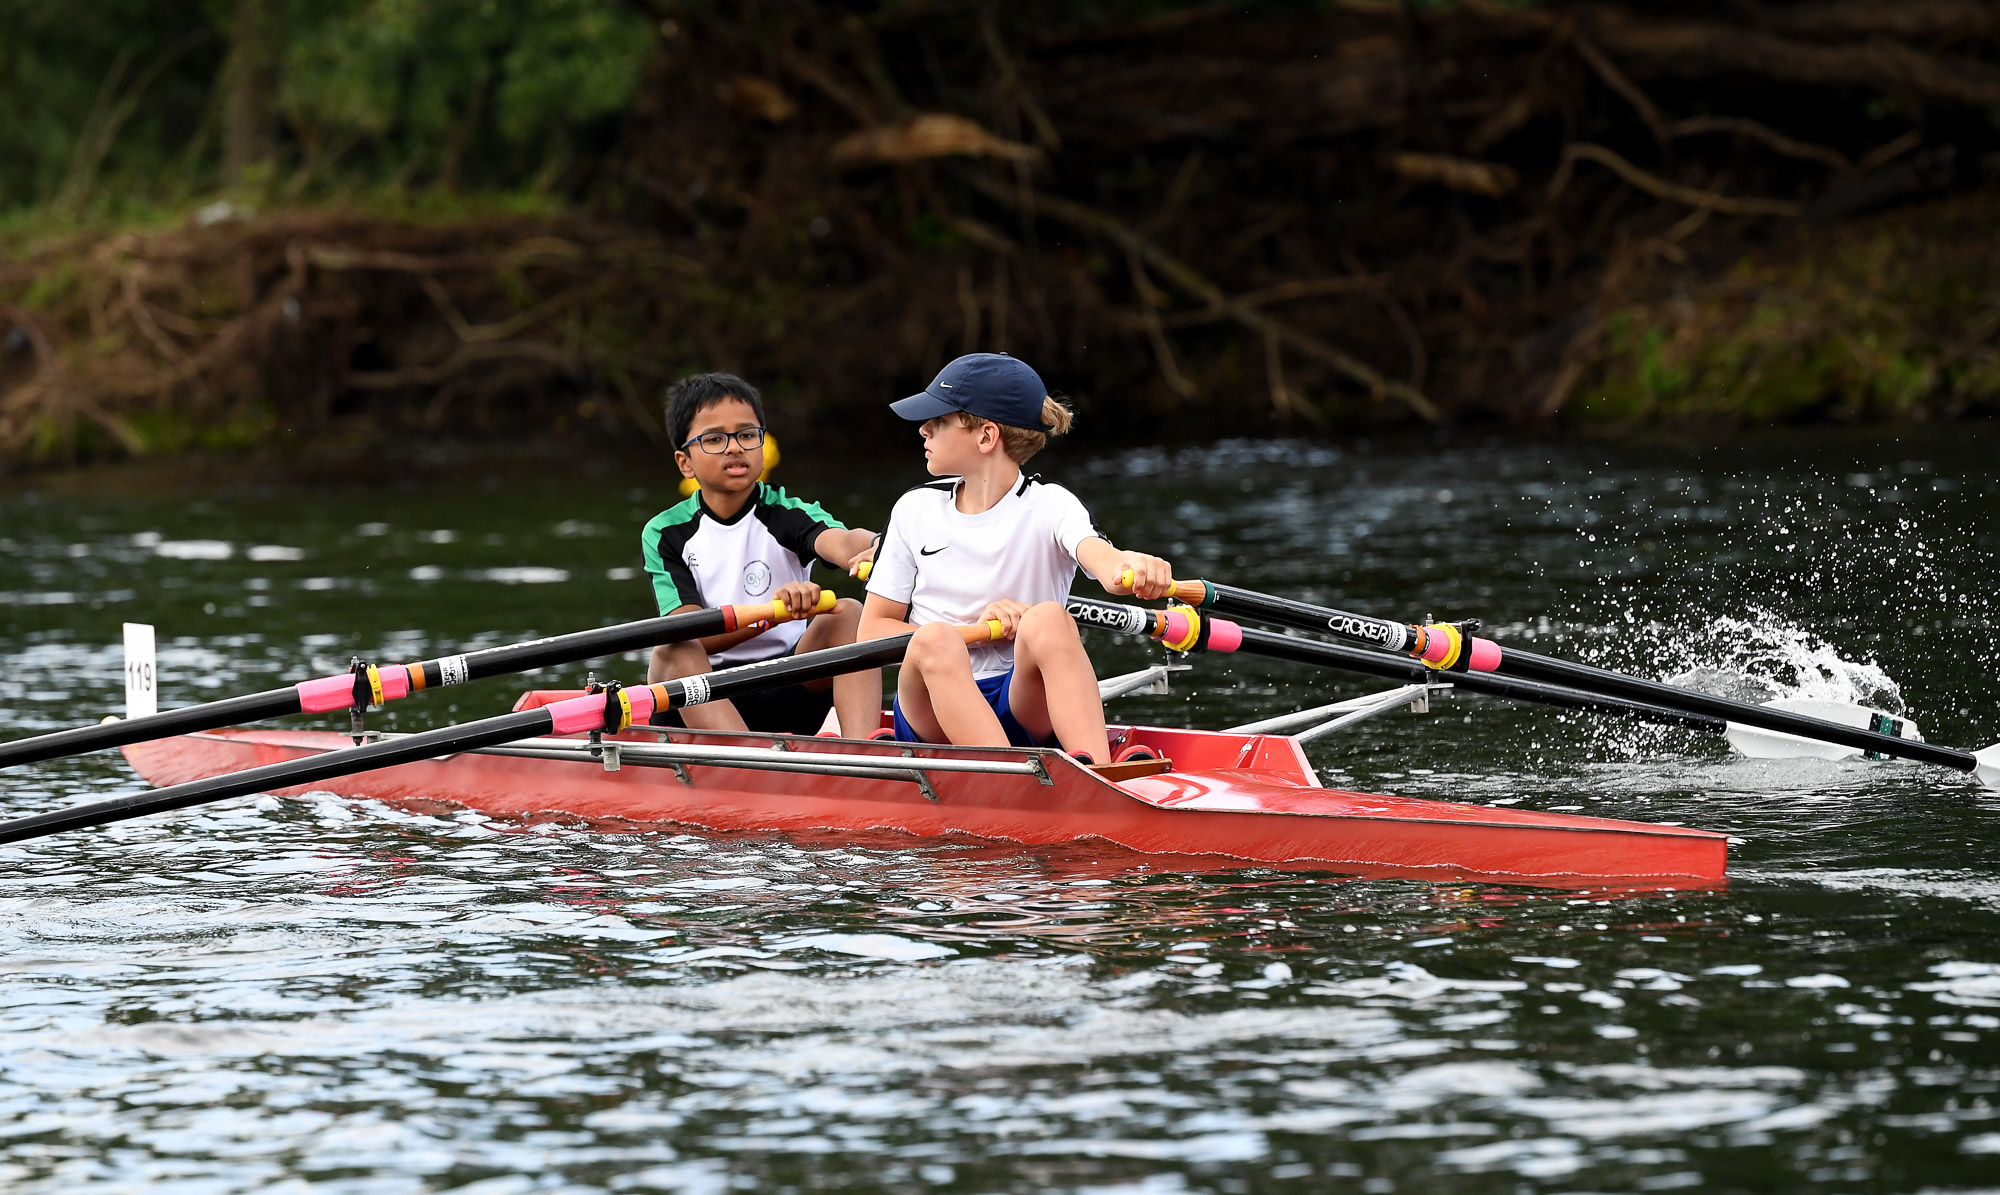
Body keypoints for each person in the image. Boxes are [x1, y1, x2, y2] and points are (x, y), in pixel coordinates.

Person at [857, 352, 1173, 763]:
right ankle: (1013, 779)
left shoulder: (1052, 505)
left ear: (986, 437)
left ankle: (1097, 774)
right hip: (933, 706)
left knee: (1049, 619)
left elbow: (1107, 564)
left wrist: (1133, 566)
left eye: (939, 420)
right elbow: (870, 634)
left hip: (1022, 701)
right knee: (934, 639)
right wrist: (965, 629)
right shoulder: (914, 509)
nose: (924, 430)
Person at [641, 372, 879, 736]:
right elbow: (692, 632)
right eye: (715, 439)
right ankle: (755, 767)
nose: (734, 448)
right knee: (672, 651)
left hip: (786, 686)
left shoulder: (786, 513)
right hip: (704, 694)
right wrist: (772, 615)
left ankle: (866, 757)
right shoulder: (666, 533)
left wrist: (879, 544)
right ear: (684, 462)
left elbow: (844, 542)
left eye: (747, 435)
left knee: (849, 614)